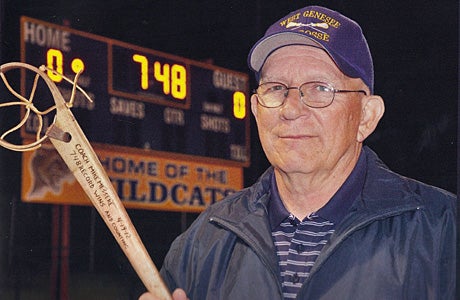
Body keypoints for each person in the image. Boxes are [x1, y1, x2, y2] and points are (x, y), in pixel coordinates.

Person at [140, 5, 456, 300]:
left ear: (366, 116)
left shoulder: (442, 229)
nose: (291, 109)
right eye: (276, 88)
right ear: (255, 109)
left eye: (320, 88)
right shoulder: (207, 237)